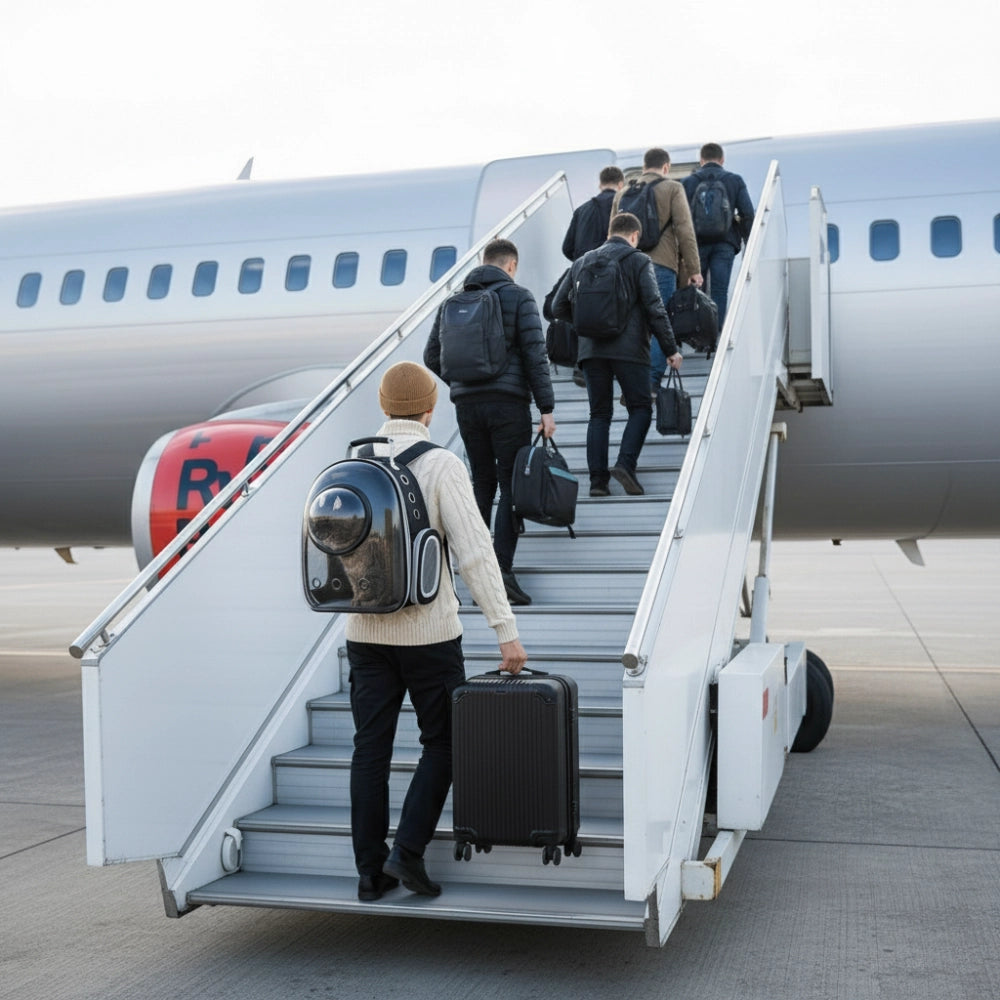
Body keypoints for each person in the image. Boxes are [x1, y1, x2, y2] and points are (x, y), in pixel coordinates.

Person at [347, 361, 527, 903]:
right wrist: (506, 630)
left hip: (364, 632)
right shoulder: (442, 464)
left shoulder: (356, 462)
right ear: (430, 409)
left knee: (369, 750)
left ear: (383, 406)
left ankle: (368, 874)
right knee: (445, 743)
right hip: (428, 633)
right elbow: (475, 551)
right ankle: (407, 852)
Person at [425, 238, 555, 607]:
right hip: (508, 405)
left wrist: (463, 385)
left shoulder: (453, 302)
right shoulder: (519, 297)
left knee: (481, 482)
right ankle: (501, 572)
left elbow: (431, 355)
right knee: (511, 484)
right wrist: (546, 408)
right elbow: (535, 354)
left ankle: (471, 566)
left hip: (467, 407)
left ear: (484, 263)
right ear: (510, 265)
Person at [551, 212, 682, 498]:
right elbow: (654, 307)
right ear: (634, 236)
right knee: (640, 407)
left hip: (591, 351)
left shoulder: (582, 262)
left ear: (610, 232)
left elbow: (557, 306)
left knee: (599, 414)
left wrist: (586, 325)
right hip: (630, 350)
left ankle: (598, 482)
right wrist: (670, 348)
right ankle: (625, 465)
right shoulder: (638, 260)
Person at [612, 148, 702, 390]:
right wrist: (694, 269)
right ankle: (649, 381)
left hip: (625, 265)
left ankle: (629, 383)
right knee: (661, 321)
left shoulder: (622, 194)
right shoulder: (673, 188)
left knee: (633, 324)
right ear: (666, 167)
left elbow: (611, 236)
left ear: (643, 167)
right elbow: (685, 230)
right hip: (661, 265)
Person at [681, 143, 755, 330]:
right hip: (725, 243)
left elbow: (681, 218)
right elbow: (747, 213)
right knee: (719, 291)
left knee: (697, 290)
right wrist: (748, 241)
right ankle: (716, 336)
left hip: (697, 243)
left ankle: (696, 335)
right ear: (722, 160)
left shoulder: (688, 182)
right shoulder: (734, 180)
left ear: (701, 160)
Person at [562, 166, 625, 262]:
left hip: (584, 271)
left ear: (600, 185)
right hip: (613, 269)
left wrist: (582, 262)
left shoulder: (581, 210)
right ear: (621, 185)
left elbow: (567, 248)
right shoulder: (623, 206)